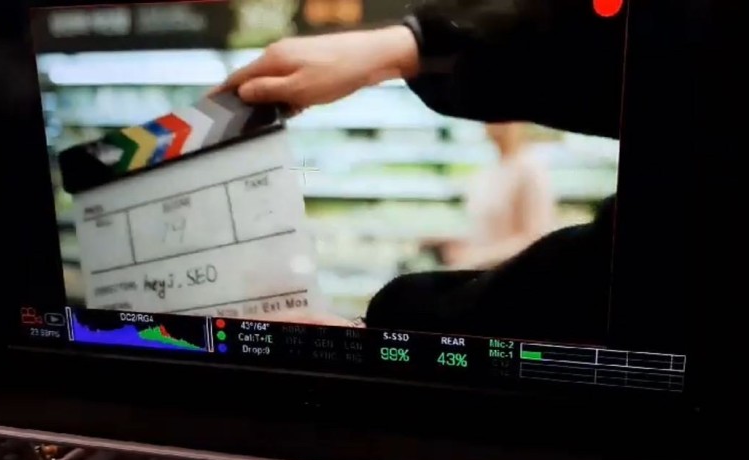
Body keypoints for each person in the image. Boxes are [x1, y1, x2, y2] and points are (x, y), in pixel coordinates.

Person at [215, 0, 625, 343]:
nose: (490, 125)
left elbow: (584, 280)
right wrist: (405, 47)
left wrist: (388, 333)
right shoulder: (491, 169)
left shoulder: (529, 168)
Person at [443, 122, 556, 269]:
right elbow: (486, 231)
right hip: (483, 273)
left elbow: (536, 238)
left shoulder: (530, 170)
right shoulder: (489, 170)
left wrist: (477, 256)